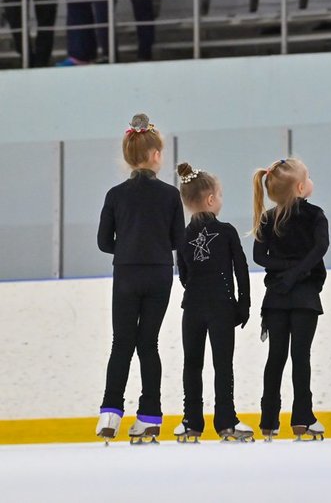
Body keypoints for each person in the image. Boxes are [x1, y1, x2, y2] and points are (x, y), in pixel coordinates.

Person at [95, 113, 185, 444]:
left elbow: (104, 243)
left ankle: (110, 411)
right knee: (148, 344)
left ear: (129, 156)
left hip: (127, 273)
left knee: (122, 343)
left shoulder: (115, 195)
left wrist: (130, 246)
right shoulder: (170, 195)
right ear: (156, 155)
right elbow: (179, 240)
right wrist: (154, 244)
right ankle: (149, 416)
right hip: (159, 274)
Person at [173, 163, 254, 444]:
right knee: (223, 365)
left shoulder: (182, 235)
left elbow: (182, 272)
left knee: (191, 365)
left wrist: (198, 289)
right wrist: (244, 303)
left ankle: (191, 422)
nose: (220, 200)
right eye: (219, 195)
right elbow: (240, 269)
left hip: (193, 307)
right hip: (221, 306)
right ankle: (226, 422)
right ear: (210, 199)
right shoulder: (227, 231)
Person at [251, 157, 329, 442]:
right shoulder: (315, 215)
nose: (310, 182)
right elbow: (321, 247)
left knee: (276, 358)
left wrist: (285, 271)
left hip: (277, 297)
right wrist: (298, 272)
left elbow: (260, 257)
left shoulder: (267, 218)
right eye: (307, 178)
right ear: (299, 187)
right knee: (300, 357)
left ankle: (268, 421)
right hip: (304, 297)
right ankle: (302, 418)